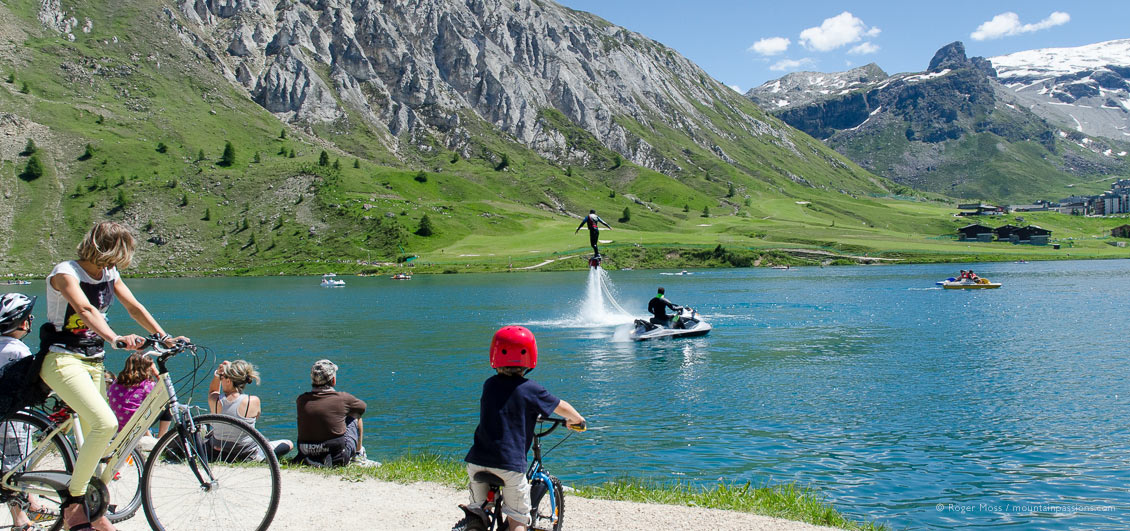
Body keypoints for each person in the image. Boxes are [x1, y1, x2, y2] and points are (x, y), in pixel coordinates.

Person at [39, 220, 186, 531]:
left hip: (93, 361)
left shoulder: (109, 274)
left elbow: (134, 306)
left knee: (105, 432)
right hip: (63, 360)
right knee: (104, 423)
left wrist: (164, 336)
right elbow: (85, 309)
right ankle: (74, 504)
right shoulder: (65, 272)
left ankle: (94, 506)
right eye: (124, 251)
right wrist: (115, 338)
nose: (124, 259)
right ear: (110, 249)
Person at [462, 326, 585, 531]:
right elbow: (561, 407)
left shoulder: (489, 384)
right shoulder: (531, 389)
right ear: (530, 357)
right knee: (518, 519)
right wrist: (578, 420)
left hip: (476, 462)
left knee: (479, 509)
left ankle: (476, 521)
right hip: (508, 465)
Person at [0, 293, 46, 531]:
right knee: (15, 469)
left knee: (6, 467)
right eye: (28, 315)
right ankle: (20, 520)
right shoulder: (20, 351)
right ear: (20, 321)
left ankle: (32, 504)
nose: (31, 318)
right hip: (16, 420)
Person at [208, 360, 292, 460]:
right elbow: (256, 418)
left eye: (222, 378)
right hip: (246, 454)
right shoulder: (252, 401)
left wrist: (217, 374)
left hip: (219, 452)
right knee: (289, 444)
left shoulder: (216, 401)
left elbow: (213, 391)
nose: (221, 380)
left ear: (228, 381)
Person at [294, 359, 373, 467]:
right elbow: (362, 407)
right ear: (333, 380)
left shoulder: (301, 400)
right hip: (336, 457)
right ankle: (358, 456)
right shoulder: (343, 398)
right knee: (355, 415)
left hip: (306, 454)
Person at [106, 352, 172, 446]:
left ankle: (148, 435)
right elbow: (166, 391)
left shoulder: (116, 383)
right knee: (167, 405)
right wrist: (157, 373)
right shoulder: (146, 384)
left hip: (121, 425)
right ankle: (161, 440)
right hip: (138, 425)